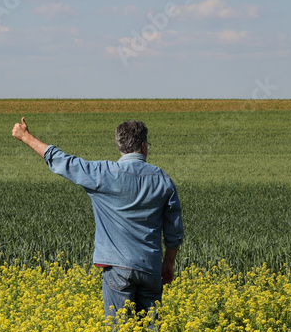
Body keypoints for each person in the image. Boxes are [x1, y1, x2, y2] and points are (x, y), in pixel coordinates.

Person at [11, 116, 184, 319]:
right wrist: (168, 263)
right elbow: (174, 229)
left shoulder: (103, 173)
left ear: (120, 146)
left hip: (117, 268)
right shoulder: (162, 179)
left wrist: (26, 137)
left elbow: (62, 161)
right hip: (150, 267)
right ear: (144, 146)